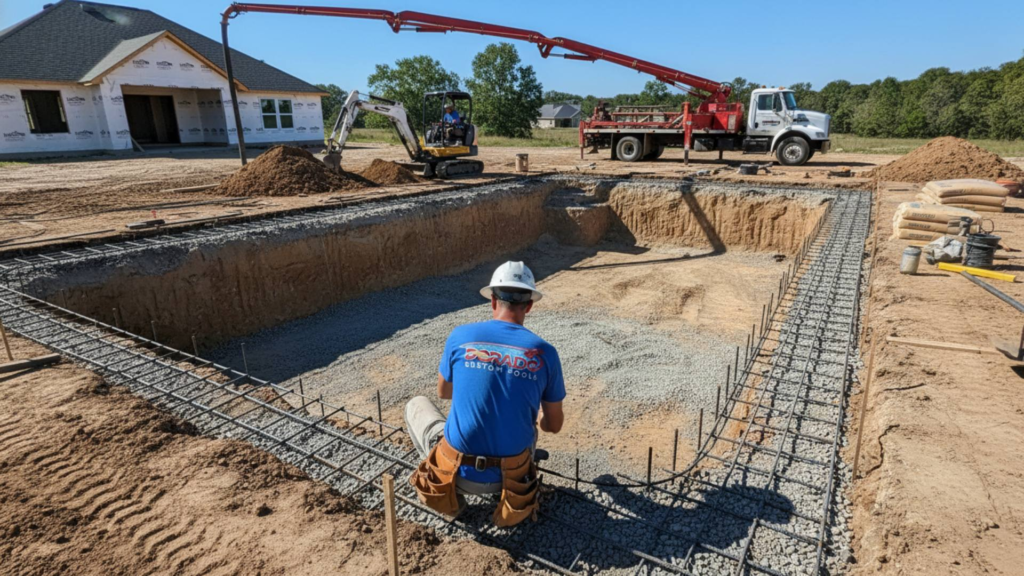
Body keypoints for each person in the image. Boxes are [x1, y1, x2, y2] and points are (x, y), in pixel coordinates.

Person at [406, 261, 565, 527]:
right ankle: (505, 497)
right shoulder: (545, 353)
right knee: (532, 425)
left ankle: (452, 499)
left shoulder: (460, 336)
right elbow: (555, 425)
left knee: (416, 404)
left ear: (493, 301)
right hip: (510, 479)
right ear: (529, 305)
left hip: (457, 471)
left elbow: (444, 392)